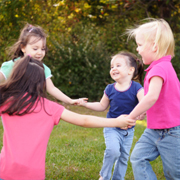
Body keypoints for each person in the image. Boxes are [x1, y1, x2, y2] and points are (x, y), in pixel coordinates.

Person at [0, 55, 136, 180]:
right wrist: (117, 121)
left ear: (15, 77)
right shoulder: (49, 107)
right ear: (41, 83)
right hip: (33, 174)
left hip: (4, 170)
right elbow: (84, 120)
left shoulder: (6, 102)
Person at [125, 18, 180, 180]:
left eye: (140, 45)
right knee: (137, 158)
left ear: (155, 46)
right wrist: (145, 111)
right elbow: (161, 100)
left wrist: (132, 116)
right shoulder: (160, 67)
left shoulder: (160, 69)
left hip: (171, 132)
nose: (137, 49)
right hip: (153, 130)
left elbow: (152, 97)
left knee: (174, 174)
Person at [78, 51, 145, 180]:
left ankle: (118, 178)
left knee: (123, 157)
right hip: (112, 127)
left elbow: (144, 103)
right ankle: (104, 175)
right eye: (111, 66)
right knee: (113, 151)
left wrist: (142, 112)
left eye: (118, 65)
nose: (113, 68)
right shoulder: (110, 89)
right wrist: (85, 105)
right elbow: (101, 106)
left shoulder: (137, 88)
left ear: (131, 70)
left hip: (128, 130)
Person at [0, 23, 85, 104]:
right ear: (23, 48)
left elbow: (51, 88)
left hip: (30, 107)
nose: (40, 53)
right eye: (35, 49)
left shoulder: (43, 69)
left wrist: (70, 101)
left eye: (43, 49)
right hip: (12, 107)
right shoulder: (13, 65)